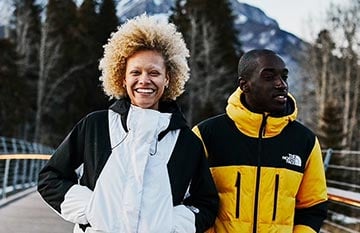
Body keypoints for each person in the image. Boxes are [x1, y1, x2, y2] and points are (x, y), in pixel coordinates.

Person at [37, 14, 219, 233]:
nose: (144, 80)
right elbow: (51, 178)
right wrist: (90, 209)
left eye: (154, 73)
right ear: (122, 78)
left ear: (168, 78)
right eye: (135, 72)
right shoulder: (96, 125)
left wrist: (170, 225)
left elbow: (206, 205)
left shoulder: (187, 142)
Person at [192, 49, 328, 233]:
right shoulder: (206, 134)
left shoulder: (305, 141)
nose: (281, 84)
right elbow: (190, 200)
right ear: (245, 85)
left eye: (284, 77)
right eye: (269, 77)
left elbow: (313, 207)